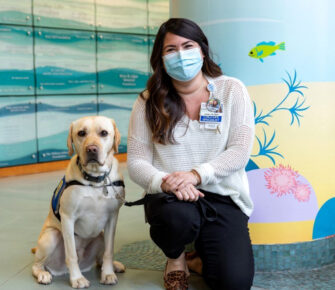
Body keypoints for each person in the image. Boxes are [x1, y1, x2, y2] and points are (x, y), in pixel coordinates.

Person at [127, 18, 255, 290]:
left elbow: (240, 151)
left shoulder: (232, 90)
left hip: (222, 196)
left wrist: (196, 175)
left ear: (202, 51)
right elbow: (137, 161)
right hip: (172, 198)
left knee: (234, 283)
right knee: (176, 220)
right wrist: (166, 181)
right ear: (160, 59)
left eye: (188, 45)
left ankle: (198, 258)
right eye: (170, 49)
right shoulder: (148, 101)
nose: (181, 55)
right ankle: (176, 259)